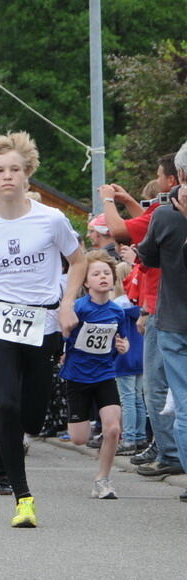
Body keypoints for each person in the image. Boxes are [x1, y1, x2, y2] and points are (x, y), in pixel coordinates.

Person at [0, 132, 85, 528]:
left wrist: (66, 305)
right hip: (3, 323)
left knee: (33, 417)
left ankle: (12, 444)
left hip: (43, 323)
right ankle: (23, 498)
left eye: (14, 169)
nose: (7, 176)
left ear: (27, 176)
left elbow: (77, 262)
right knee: (6, 405)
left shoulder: (52, 219)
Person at [99, 153, 180, 473]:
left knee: (156, 386)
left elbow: (121, 232)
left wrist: (108, 201)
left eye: (160, 176)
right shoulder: (168, 212)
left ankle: (169, 453)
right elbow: (144, 227)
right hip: (165, 305)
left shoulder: (166, 212)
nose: (158, 182)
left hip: (161, 307)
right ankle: (165, 447)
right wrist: (131, 200)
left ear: (172, 180)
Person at [58, 250, 129, 499]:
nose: (103, 278)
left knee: (112, 429)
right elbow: (62, 335)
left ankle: (103, 480)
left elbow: (120, 341)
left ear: (113, 280)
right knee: (79, 438)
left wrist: (123, 347)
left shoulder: (117, 312)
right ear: (86, 281)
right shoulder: (77, 308)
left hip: (104, 374)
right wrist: (63, 348)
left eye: (107, 273)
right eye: (96, 274)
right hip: (77, 376)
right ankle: (84, 431)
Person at [138, 140, 187, 494]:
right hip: (172, 321)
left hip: (174, 319)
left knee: (182, 401)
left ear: (179, 175)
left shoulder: (165, 214)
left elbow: (149, 258)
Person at [112, 261, 146, 455]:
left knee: (127, 399)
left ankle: (129, 438)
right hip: (140, 356)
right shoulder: (139, 305)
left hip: (124, 358)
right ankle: (140, 437)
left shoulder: (116, 306)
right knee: (138, 398)